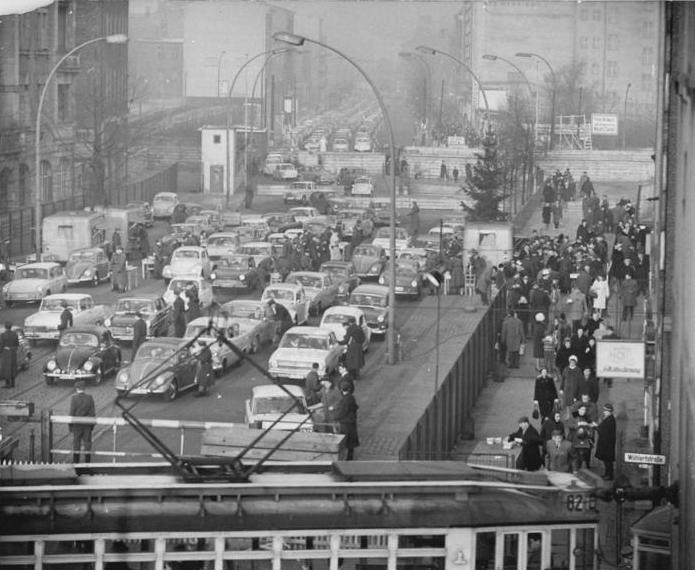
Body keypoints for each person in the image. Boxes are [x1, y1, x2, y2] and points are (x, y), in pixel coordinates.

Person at [332, 380, 359, 460]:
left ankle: (345, 458)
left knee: (344, 441)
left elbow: (341, 412)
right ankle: (350, 456)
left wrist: (334, 416)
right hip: (351, 422)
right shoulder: (351, 397)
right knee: (351, 442)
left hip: (345, 424)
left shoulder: (344, 400)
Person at [69, 380, 95, 463]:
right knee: (87, 444)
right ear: (84, 388)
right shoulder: (89, 397)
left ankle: (76, 464)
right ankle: (87, 464)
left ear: (77, 389)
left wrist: (70, 426)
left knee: (76, 444)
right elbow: (92, 413)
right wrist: (91, 426)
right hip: (87, 425)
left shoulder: (74, 398)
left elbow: (71, 413)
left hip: (77, 425)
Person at [595, 403, 617, 480]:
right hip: (606, 443)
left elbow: (604, 431)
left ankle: (609, 475)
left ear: (609, 411)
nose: (604, 412)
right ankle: (607, 474)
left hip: (607, 444)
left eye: (605, 411)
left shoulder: (610, 420)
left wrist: (597, 427)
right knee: (606, 460)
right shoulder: (608, 419)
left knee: (608, 460)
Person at [0, 322, 20, 388]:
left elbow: (1, 345)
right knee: (13, 367)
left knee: (6, 368)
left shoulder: (2, 335)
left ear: (5, 327)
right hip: (13, 353)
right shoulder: (15, 334)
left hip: (5, 353)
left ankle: (7, 384)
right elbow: (17, 344)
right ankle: (13, 383)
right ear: (11, 327)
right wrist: (12, 348)